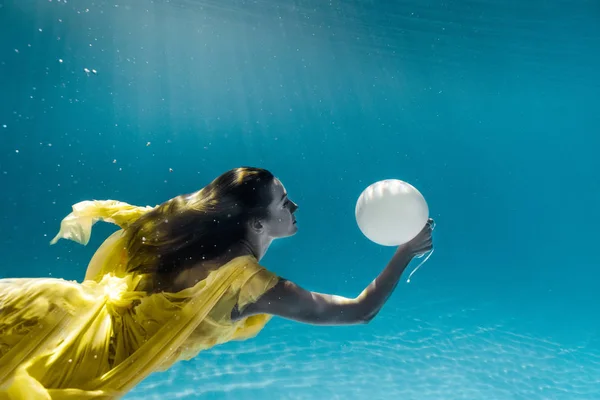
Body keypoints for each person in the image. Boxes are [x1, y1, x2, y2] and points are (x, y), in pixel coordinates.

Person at [0, 167, 434, 399]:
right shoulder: (246, 284)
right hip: (88, 356)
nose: (294, 205)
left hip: (56, 311)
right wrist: (404, 253)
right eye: (284, 201)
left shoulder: (177, 229)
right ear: (260, 221)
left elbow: (125, 214)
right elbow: (359, 311)